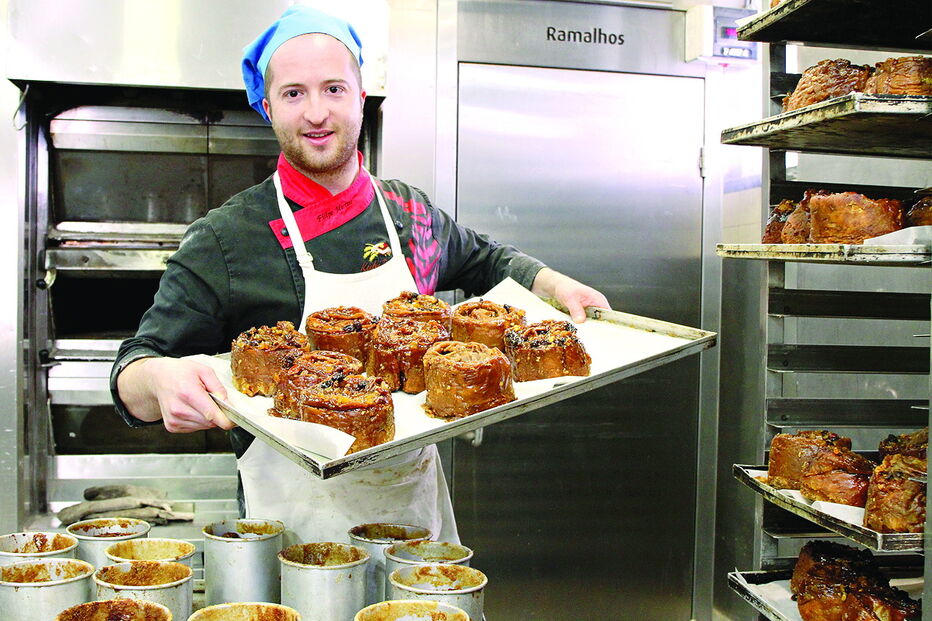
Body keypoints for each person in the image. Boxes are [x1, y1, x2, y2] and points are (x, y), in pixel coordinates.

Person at [110, 5, 610, 544]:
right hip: (288, 532)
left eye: (334, 88)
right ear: (267, 106)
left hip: (412, 520)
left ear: (361, 95)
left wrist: (552, 284)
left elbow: (487, 261)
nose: (317, 113)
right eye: (294, 93)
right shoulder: (224, 240)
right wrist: (159, 381)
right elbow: (132, 373)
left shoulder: (409, 213)